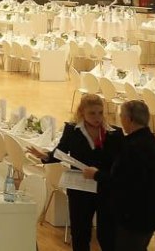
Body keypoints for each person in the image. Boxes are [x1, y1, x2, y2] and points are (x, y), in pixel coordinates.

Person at [29, 93, 122, 251]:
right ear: (82, 113)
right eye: (92, 113)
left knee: (107, 235)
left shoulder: (114, 133)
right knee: (80, 233)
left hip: (105, 189)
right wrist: (45, 156)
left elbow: (119, 163)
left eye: (100, 112)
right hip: (80, 189)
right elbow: (61, 152)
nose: (97, 117)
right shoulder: (72, 130)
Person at [83, 100, 155, 251]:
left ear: (129, 119)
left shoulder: (133, 148)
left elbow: (123, 182)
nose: (120, 119)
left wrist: (96, 174)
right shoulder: (151, 141)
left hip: (137, 216)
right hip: (152, 212)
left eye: (122, 116)